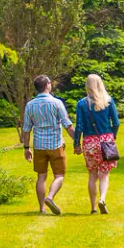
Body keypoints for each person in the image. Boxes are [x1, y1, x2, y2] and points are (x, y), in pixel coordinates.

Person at [20, 74, 73, 216]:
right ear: (47, 85)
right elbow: (67, 125)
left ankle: (42, 208)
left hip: (39, 146)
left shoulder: (30, 105)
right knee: (59, 175)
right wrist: (77, 141)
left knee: (41, 176)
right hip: (56, 145)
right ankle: (50, 197)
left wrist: (26, 148)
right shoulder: (57, 103)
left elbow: (26, 129)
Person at [74, 72, 120, 215]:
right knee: (104, 174)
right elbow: (116, 122)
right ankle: (102, 199)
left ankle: (93, 207)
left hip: (89, 142)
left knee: (92, 174)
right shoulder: (108, 101)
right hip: (106, 140)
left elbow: (79, 126)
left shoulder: (81, 104)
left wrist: (76, 144)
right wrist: (113, 135)